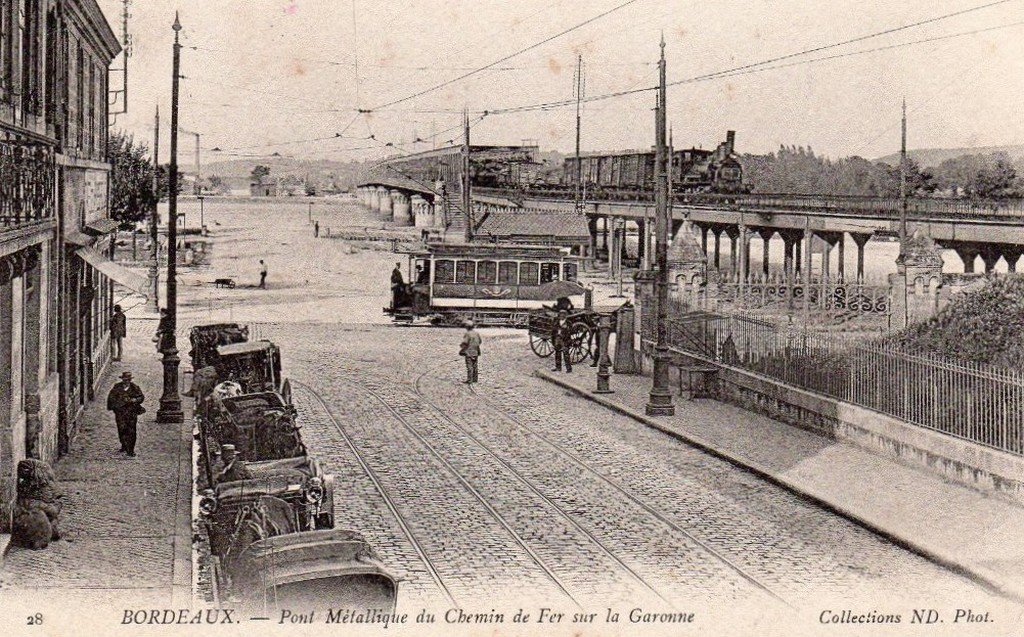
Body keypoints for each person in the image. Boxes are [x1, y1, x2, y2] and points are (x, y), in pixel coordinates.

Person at [106, 371, 145, 457]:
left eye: (127, 380)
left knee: (131, 430)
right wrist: (116, 407)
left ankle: (130, 450)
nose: (126, 382)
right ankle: (124, 444)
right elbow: (111, 398)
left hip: (131, 413)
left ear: (130, 380)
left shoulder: (135, 387)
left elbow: (141, 397)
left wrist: (135, 400)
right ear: (122, 379)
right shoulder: (117, 387)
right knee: (121, 429)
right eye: (124, 380)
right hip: (120, 413)